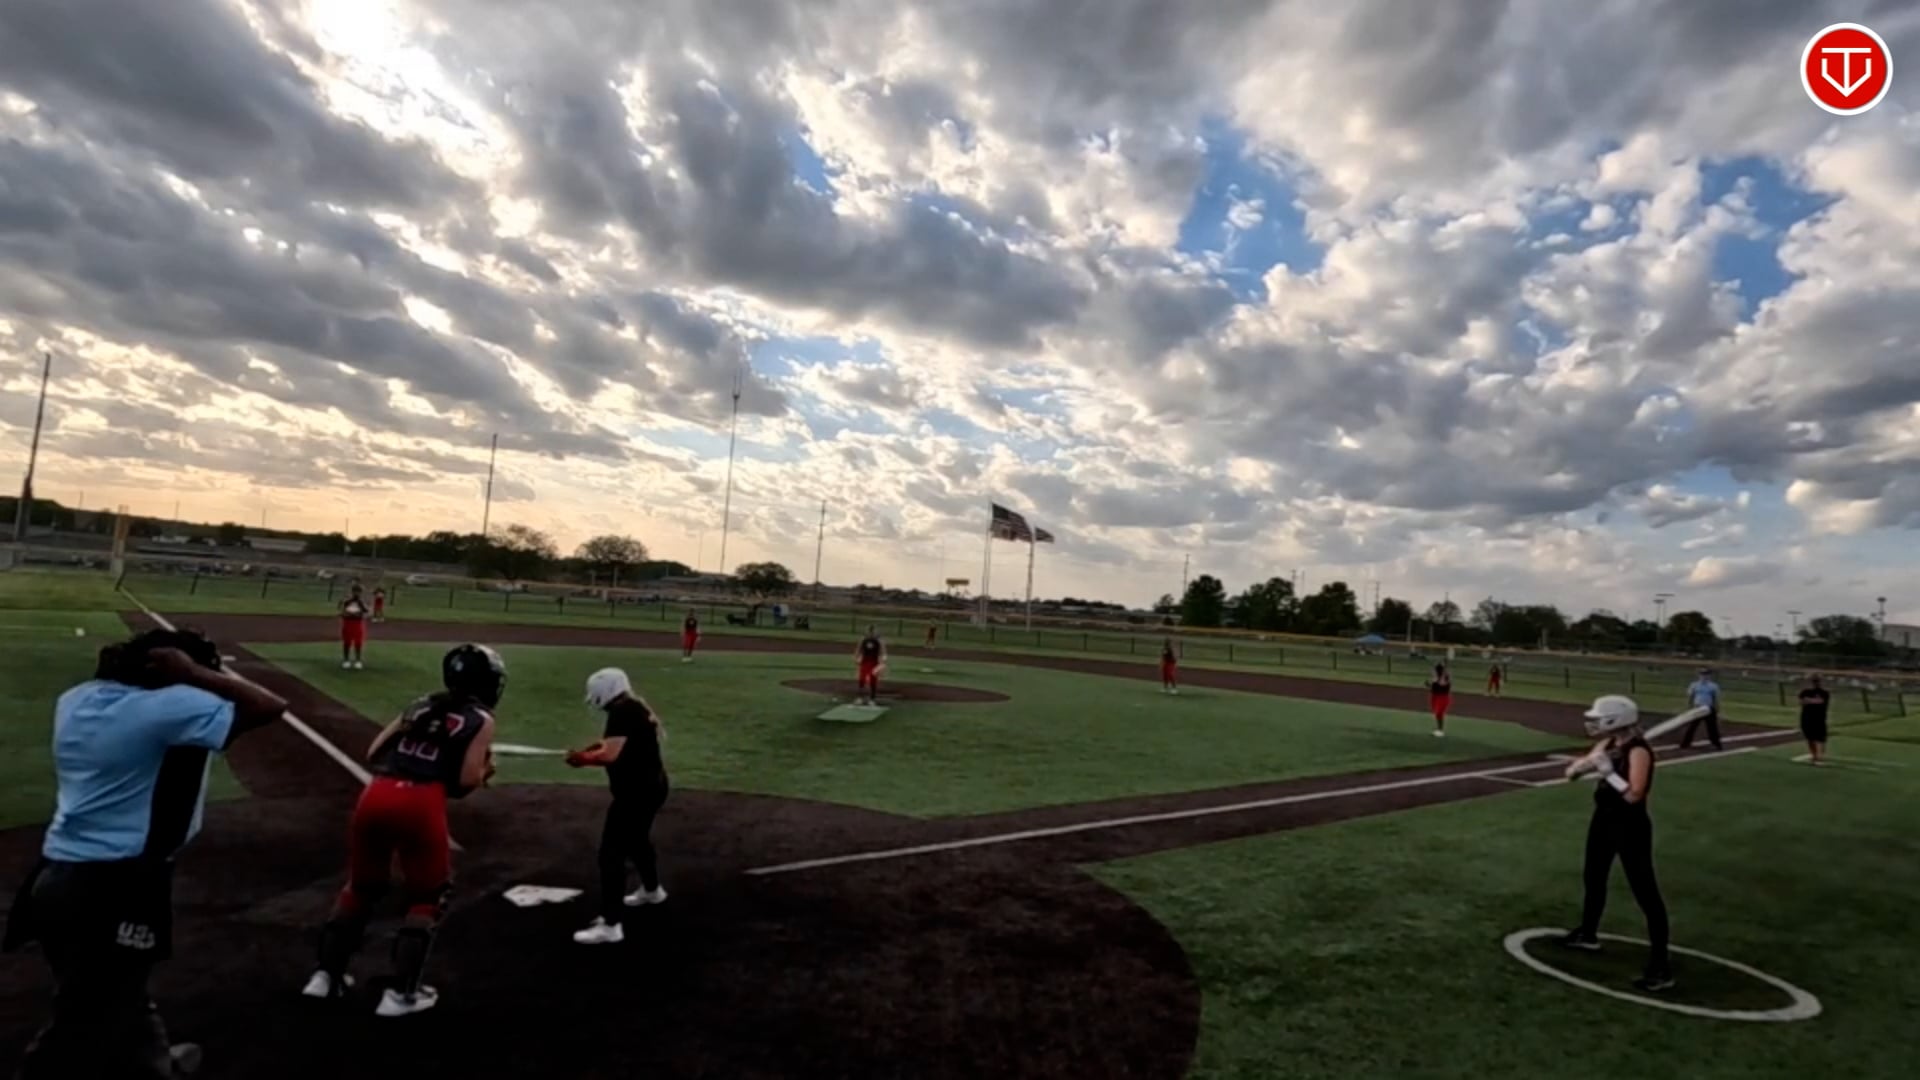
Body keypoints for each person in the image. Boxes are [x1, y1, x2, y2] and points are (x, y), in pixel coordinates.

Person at [7, 628, 286, 1079]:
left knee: (117, 991)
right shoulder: (167, 708)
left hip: (57, 875)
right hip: (113, 885)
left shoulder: (78, 698)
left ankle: (155, 1063)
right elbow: (269, 706)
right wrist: (194, 674)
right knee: (86, 1009)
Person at [301, 645, 502, 1017]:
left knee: (361, 887)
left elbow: (374, 752)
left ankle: (325, 977)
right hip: (420, 802)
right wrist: (485, 771)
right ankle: (400, 996)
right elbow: (464, 782)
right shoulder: (480, 719)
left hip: (376, 794)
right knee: (427, 896)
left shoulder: (421, 703)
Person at [1560, 694, 1672, 993]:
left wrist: (1609, 773)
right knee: (1593, 878)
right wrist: (1581, 767)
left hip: (1630, 826)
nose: (1594, 723)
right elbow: (1572, 773)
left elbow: (1634, 795)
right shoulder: (1608, 744)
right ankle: (1588, 933)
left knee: (1645, 892)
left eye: (1600, 718)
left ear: (1615, 719)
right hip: (1603, 820)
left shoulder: (1638, 751)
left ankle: (1660, 966)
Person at [570, 669, 671, 946]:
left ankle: (611, 924)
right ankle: (652, 891)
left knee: (611, 855)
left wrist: (584, 759)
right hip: (652, 787)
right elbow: (618, 744)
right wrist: (591, 751)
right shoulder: (633, 706)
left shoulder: (622, 711)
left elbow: (610, 754)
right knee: (637, 841)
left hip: (636, 794)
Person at [1677, 668, 1724, 752]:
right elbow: (1691, 697)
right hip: (1697, 708)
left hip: (1708, 709)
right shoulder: (1694, 685)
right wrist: (1689, 708)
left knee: (1712, 728)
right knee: (1692, 727)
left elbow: (1715, 699)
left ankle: (1717, 744)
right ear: (1699, 675)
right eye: (1702, 674)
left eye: (1706, 674)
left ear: (1709, 676)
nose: (1704, 676)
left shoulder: (1713, 686)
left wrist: (1717, 711)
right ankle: (1685, 743)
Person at [1797, 674, 1830, 766]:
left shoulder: (1824, 692)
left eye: (1817, 681)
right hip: (1807, 718)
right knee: (1810, 738)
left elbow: (1821, 701)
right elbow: (1801, 702)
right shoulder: (1805, 692)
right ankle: (1814, 756)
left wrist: (1809, 700)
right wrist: (1812, 701)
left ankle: (1820, 756)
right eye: (1814, 681)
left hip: (1819, 718)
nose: (1815, 683)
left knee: (1821, 738)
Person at [339, 585, 371, 670]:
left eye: (359, 592)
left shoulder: (361, 603)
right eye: (355, 591)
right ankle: (346, 660)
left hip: (358, 624)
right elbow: (342, 612)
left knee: (358, 643)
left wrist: (359, 615)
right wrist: (347, 614)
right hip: (348, 623)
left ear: (361, 593)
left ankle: (358, 660)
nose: (357, 593)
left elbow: (367, 613)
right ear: (352, 592)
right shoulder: (347, 602)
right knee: (347, 642)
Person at [855, 626, 886, 705]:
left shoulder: (878, 641)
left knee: (873, 681)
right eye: (870, 632)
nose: (871, 634)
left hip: (874, 663)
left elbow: (882, 651)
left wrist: (883, 660)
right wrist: (857, 658)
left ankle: (872, 699)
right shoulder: (863, 640)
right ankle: (860, 698)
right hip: (864, 662)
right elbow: (858, 649)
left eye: (873, 632)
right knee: (861, 680)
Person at [1427, 662, 1452, 737]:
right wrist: (1429, 685)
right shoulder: (1437, 678)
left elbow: (1442, 685)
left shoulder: (1444, 678)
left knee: (1439, 713)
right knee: (1437, 714)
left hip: (1442, 698)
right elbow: (1434, 689)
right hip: (1436, 697)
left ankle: (1440, 730)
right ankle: (1439, 729)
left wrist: (1436, 681)